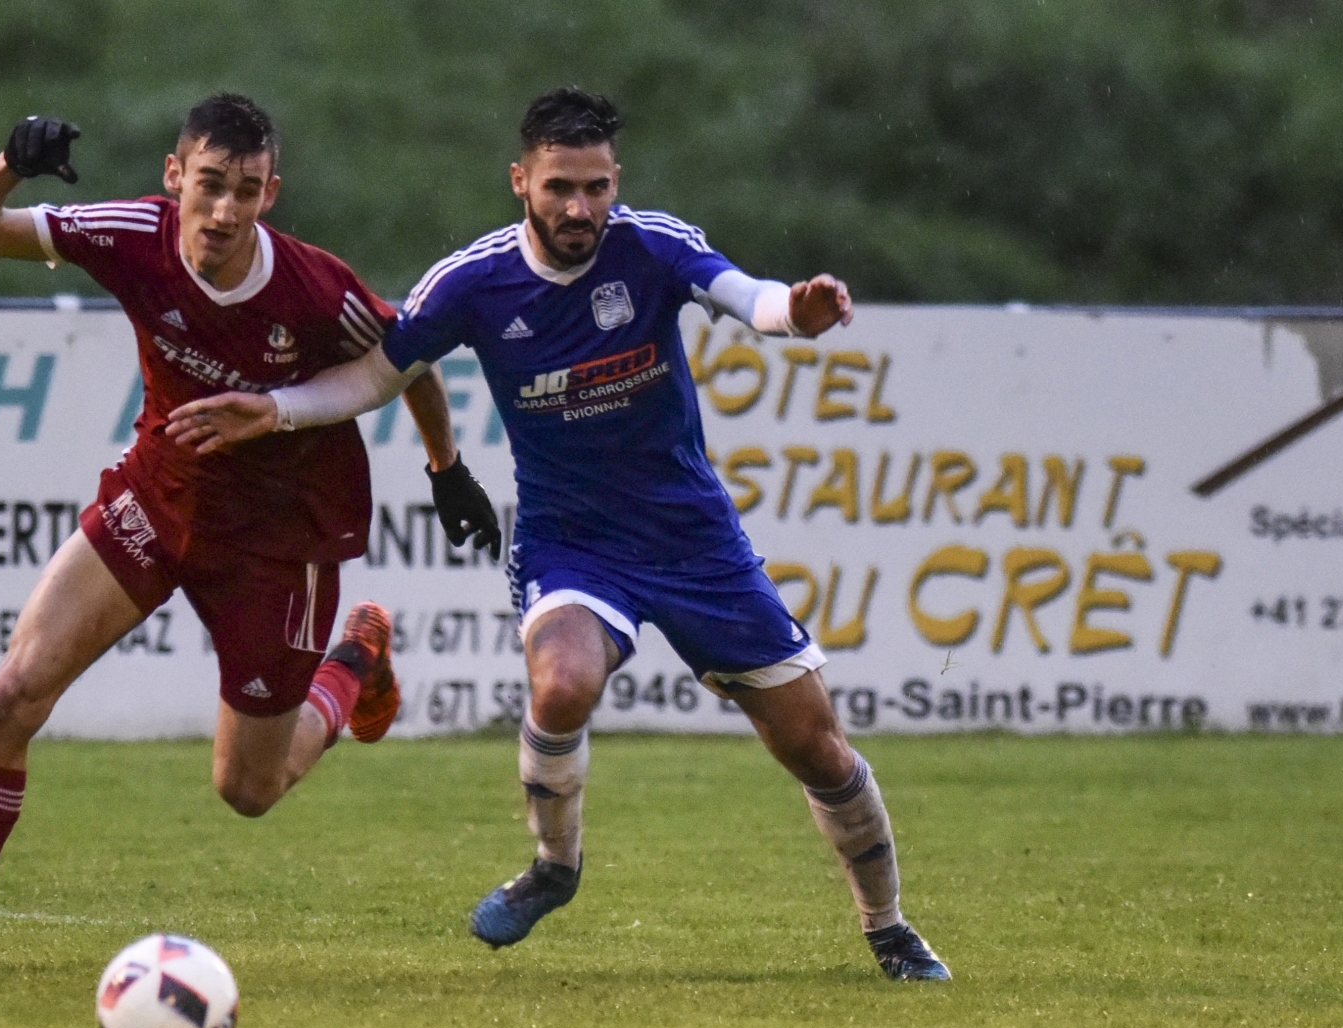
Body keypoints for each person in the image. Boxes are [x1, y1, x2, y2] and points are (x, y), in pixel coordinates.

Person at [167, 88, 949, 980]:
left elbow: (746, 295)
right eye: (560, 188)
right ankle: (554, 866)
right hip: (570, 542)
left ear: (616, 182)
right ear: (521, 182)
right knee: (564, 680)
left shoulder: (650, 246)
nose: (580, 209)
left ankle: (888, 926)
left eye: (596, 187)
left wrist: (795, 312)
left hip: (694, 541)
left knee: (815, 745)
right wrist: (272, 410)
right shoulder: (474, 281)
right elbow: (377, 377)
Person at [0, 94, 464, 972]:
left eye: (248, 191)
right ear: (174, 175)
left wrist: (444, 469)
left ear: (271, 193)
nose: (225, 210)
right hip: (162, 495)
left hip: (279, 541)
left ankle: (352, 668)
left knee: (247, 790)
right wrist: (9, 163)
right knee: (10, 696)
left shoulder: (315, 290)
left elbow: (406, 360)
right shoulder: (130, 236)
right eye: (211, 185)